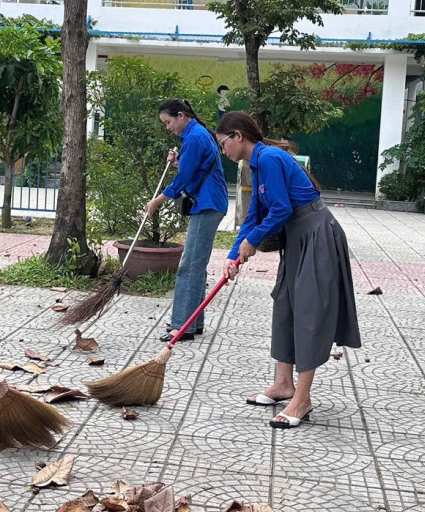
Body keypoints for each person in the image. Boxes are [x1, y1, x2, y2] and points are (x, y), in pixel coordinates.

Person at [218, 110, 360, 429]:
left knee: (308, 310)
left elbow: (280, 209)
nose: (222, 150)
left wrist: (251, 243)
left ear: (238, 136)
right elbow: (254, 214)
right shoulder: (256, 163)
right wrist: (233, 255)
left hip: (317, 235)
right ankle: (284, 383)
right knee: (285, 304)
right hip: (296, 239)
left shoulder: (268, 159)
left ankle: (302, 399)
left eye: (223, 143)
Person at [143, 99, 228, 343]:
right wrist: (178, 161)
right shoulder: (196, 135)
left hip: (207, 204)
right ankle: (194, 322)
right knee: (196, 265)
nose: (168, 127)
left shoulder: (194, 137)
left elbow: (184, 179)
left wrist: (156, 201)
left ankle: (182, 326)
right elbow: (193, 169)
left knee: (189, 265)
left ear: (181, 115)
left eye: (168, 122)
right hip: (210, 202)